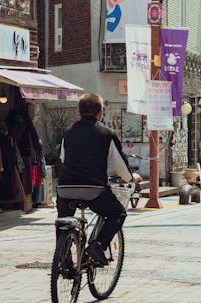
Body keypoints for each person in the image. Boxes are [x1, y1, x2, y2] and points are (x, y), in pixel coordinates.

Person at [57, 93, 142, 266]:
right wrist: (132, 178)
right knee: (118, 213)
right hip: (93, 190)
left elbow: (63, 159)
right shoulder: (107, 134)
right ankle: (98, 245)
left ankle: (63, 260)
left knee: (63, 220)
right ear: (101, 113)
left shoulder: (68, 133)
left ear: (78, 112)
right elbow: (121, 168)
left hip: (65, 188)